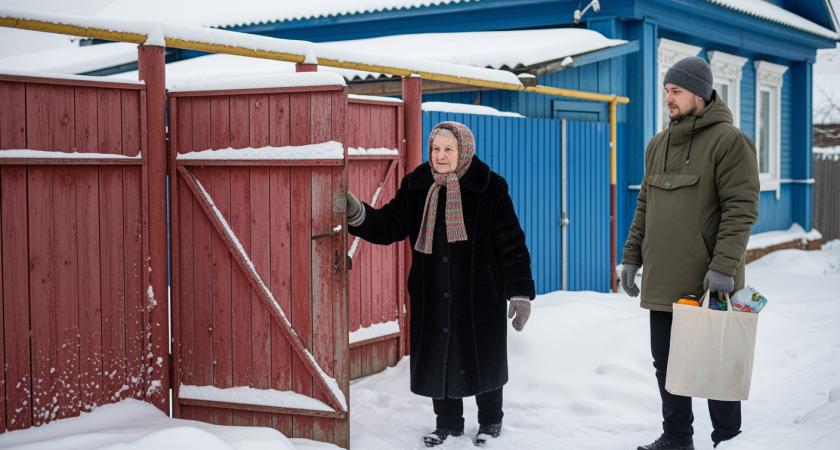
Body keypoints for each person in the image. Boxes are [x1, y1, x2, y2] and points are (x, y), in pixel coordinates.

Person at [345, 121, 535, 447]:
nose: (440, 155)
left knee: (484, 359)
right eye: (435, 148)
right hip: (432, 295)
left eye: (448, 149)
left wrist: (519, 291)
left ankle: (491, 422)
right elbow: (390, 224)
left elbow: (511, 243)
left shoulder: (490, 187)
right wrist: (359, 213)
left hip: (480, 295)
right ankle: (448, 425)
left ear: (464, 151)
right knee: (440, 361)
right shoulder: (417, 186)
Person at [621, 56, 760, 450]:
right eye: (666, 90)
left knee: (717, 364)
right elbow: (645, 206)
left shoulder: (730, 142)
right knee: (666, 364)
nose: (668, 97)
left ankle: (728, 439)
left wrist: (723, 268)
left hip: (709, 281)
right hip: (664, 277)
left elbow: (741, 209)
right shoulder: (658, 144)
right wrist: (632, 257)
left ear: (699, 93)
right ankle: (677, 437)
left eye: (676, 91)